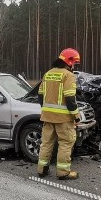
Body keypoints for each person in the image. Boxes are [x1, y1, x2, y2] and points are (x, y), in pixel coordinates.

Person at [36, 48, 81, 180]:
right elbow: (70, 100)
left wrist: (47, 110)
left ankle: (42, 170)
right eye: (75, 64)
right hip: (64, 119)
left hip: (47, 117)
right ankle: (63, 172)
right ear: (69, 62)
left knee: (46, 143)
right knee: (66, 143)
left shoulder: (48, 73)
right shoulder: (68, 75)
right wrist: (76, 116)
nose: (74, 66)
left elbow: (40, 96)